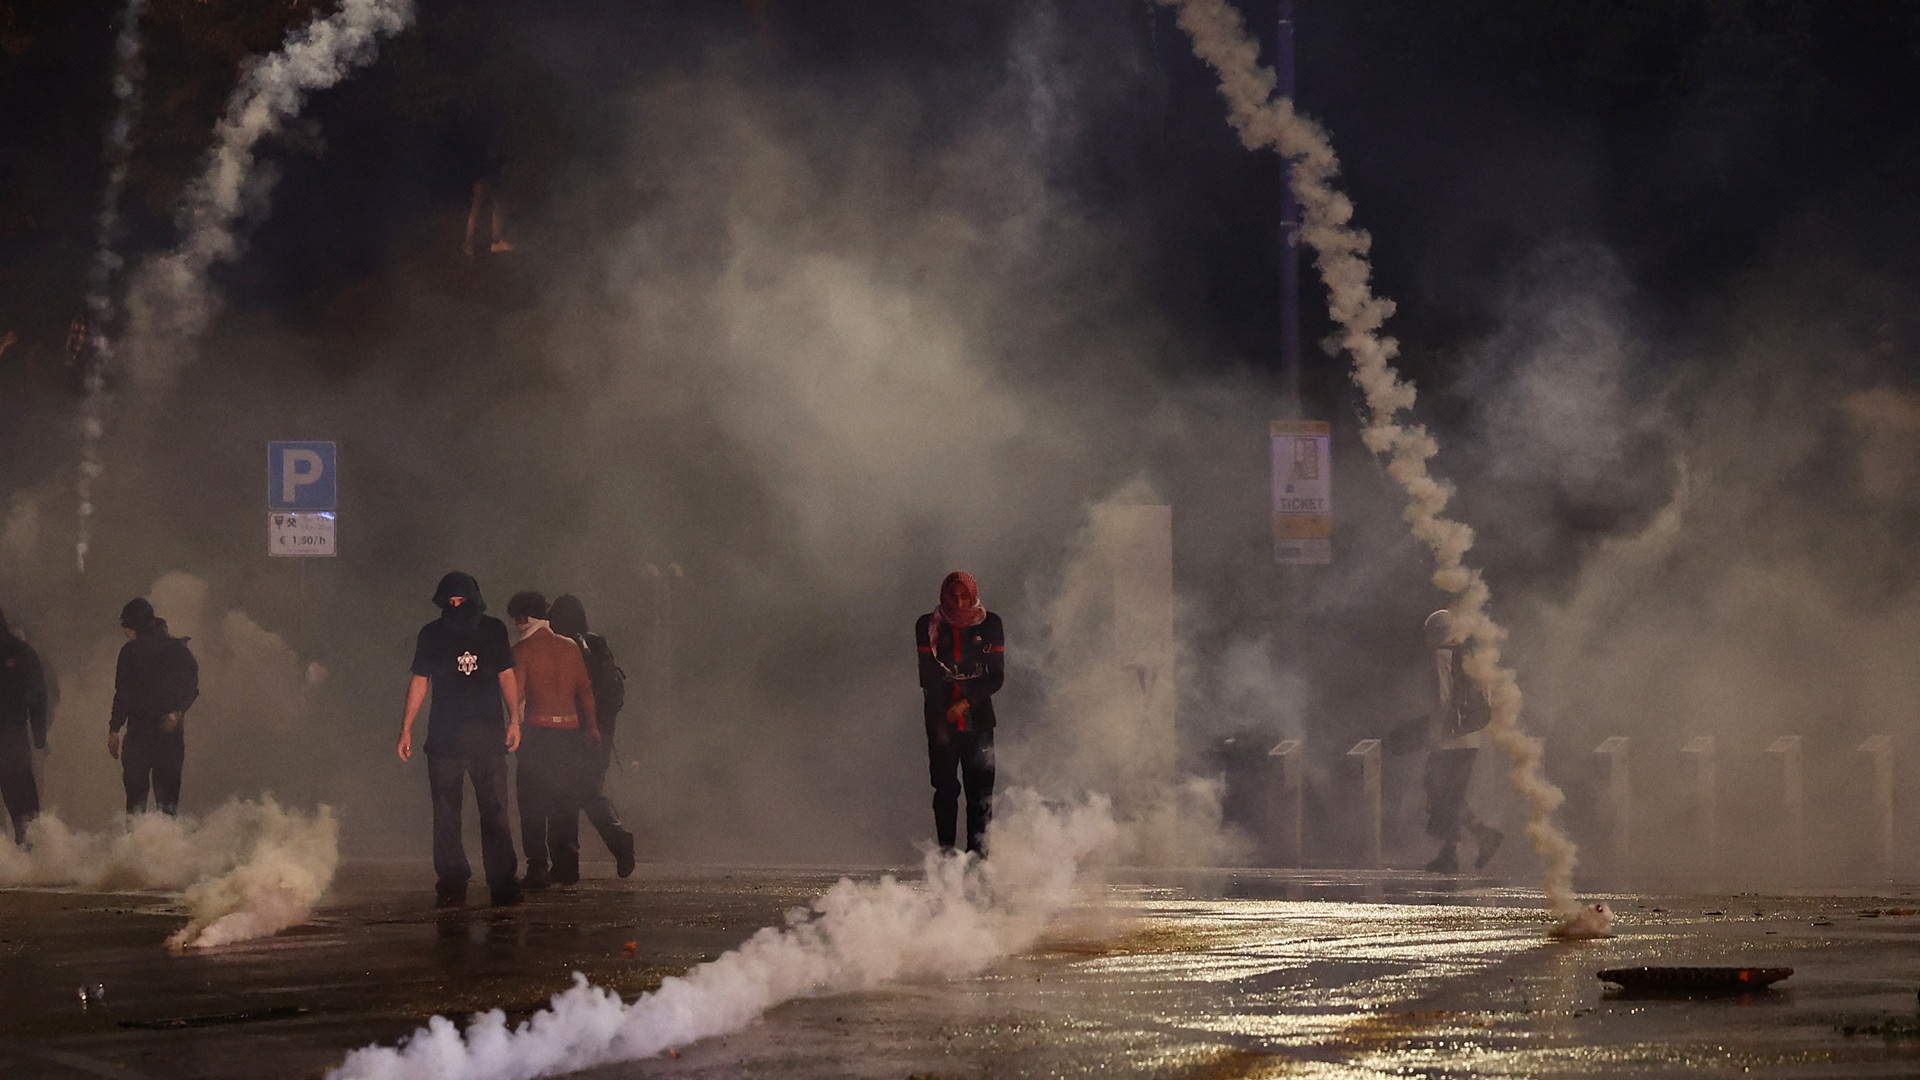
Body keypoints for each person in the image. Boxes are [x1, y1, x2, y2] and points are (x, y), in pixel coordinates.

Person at [397, 573, 522, 908]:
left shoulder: (493, 630)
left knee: (495, 809)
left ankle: (502, 879)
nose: (455, 607)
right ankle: (452, 877)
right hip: (445, 739)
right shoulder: (432, 634)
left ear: (474, 599)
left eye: (461, 602)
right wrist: (406, 727)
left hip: (488, 737)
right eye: (449, 603)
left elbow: (506, 675)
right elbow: (420, 681)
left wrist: (515, 720)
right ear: (441, 602)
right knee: (446, 812)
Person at [506, 591, 600, 889]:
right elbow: (585, 691)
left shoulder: (522, 650)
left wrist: (513, 728)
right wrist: (593, 728)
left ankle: (537, 868)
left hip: (538, 733)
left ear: (522, 618)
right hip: (570, 733)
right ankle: (567, 867)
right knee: (564, 802)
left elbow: (517, 699)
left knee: (533, 804)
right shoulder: (570, 647)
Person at [915, 571, 1005, 855]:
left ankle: (978, 859)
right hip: (940, 719)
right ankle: (946, 856)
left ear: (973, 594)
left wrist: (965, 702)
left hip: (978, 720)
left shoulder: (990, 624)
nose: (959, 602)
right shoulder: (927, 625)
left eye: (964, 595)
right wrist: (945, 710)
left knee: (980, 794)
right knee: (945, 788)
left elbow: (996, 677)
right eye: (953, 596)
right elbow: (928, 676)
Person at [550, 594, 635, 877]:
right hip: (602, 730)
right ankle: (616, 839)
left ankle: (567, 865)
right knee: (588, 791)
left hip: (573, 728)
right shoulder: (598, 644)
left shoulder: (564, 646)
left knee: (564, 794)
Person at [1421, 609, 1504, 873]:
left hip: (1450, 739)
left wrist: (1435, 735)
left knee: (1437, 789)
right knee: (1451, 795)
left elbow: (1442, 699)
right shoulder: (1470, 656)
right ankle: (1453, 851)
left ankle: (1476, 840)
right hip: (1471, 738)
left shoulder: (1441, 656)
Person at [108, 598, 198, 816]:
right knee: (167, 805)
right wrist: (178, 713)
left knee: (136, 803)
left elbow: (123, 694)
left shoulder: (130, 652)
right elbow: (192, 688)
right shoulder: (179, 649)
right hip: (170, 734)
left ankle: (137, 846)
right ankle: (164, 846)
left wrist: (114, 729)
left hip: (139, 734)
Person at [0, 607, 49, 844]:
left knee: (21, 801)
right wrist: (39, 733)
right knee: (23, 803)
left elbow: (38, 693)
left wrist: (40, 733)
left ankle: (23, 854)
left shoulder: (20, 652)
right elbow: (38, 694)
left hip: (11, 734)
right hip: (13, 734)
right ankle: (27, 853)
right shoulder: (22, 651)